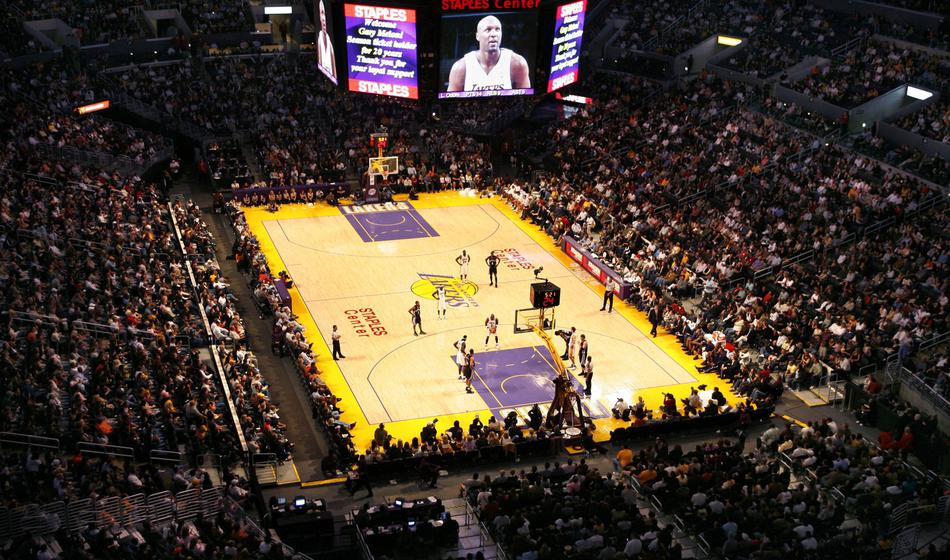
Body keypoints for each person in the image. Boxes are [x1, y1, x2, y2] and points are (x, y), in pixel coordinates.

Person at [447, 15, 531, 92]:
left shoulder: (517, 63)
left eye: (497, 29)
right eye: (488, 30)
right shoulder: (460, 68)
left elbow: (526, 99)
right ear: (477, 36)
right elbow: (450, 101)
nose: (494, 34)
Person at [316, 0, 336, 82]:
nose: (323, 18)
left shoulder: (329, 41)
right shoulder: (320, 38)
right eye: (321, 13)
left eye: (324, 13)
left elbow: (334, 73)